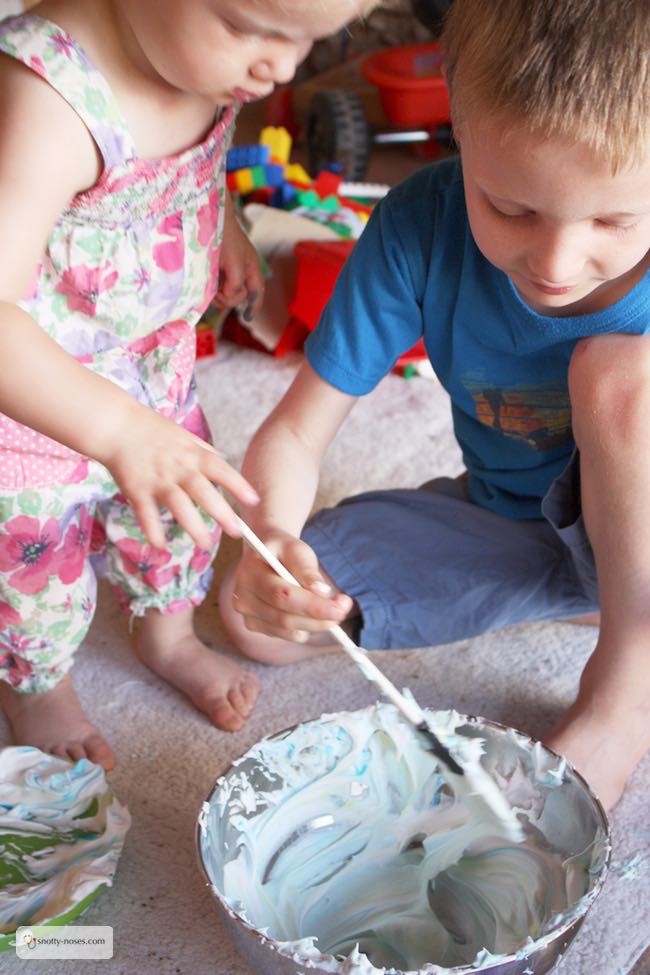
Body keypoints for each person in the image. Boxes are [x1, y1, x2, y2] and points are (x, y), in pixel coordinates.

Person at [222, 0, 650, 811]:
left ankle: (628, 682)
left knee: (621, 380)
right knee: (254, 626)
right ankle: (592, 599)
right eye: (512, 207)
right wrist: (273, 549)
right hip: (515, 524)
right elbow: (296, 430)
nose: (556, 261)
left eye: (613, 219)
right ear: (455, 111)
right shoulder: (418, 227)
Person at [0, 0, 374, 770]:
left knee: (180, 519)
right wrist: (115, 432)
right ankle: (35, 687)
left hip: (149, 368)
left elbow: (194, 164)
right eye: (252, 28)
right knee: (36, 563)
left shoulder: (201, 59)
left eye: (309, 39)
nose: (281, 68)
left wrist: (223, 222)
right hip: (35, 403)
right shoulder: (48, 101)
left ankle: (166, 633)